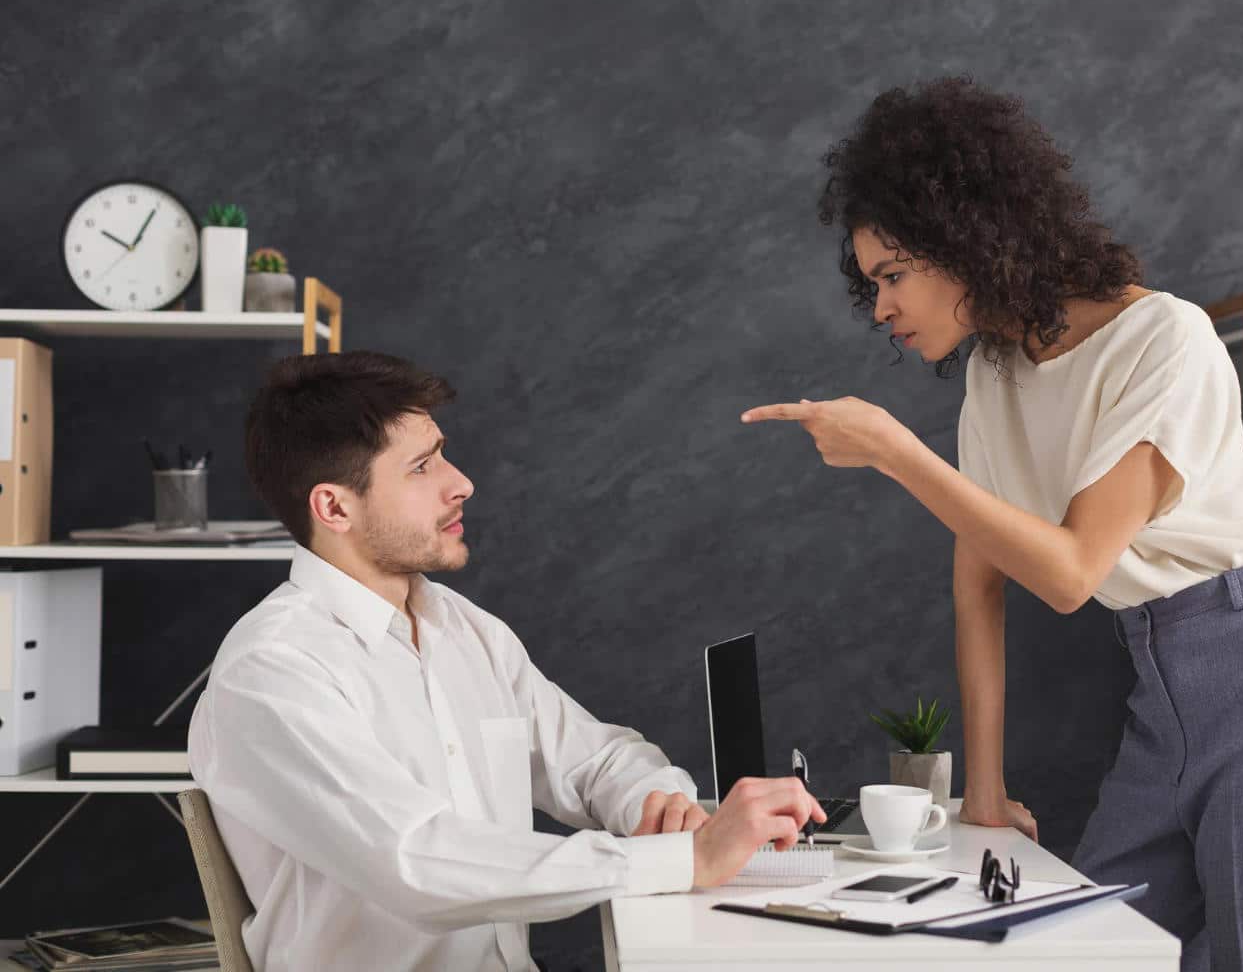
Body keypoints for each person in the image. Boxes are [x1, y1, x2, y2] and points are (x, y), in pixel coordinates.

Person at [743, 77, 1243, 972]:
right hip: (1162, 683)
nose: (880, 307)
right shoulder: (994, 379)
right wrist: (986, 789)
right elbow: (978, 582)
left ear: (966, 237)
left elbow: (1073, 570)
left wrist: (896, 452)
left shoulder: (1165, 339)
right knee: (1081, 952)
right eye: (873, 284)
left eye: (893, 275)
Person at [188, 351, 822, 972]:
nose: (461, 483)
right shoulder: (272, 670)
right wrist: (684, 859)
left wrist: (661, 806)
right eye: (421, 467)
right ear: (334, 508)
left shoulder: (463, 629)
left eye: (442, 453)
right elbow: (417, 863)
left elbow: (592, 760)